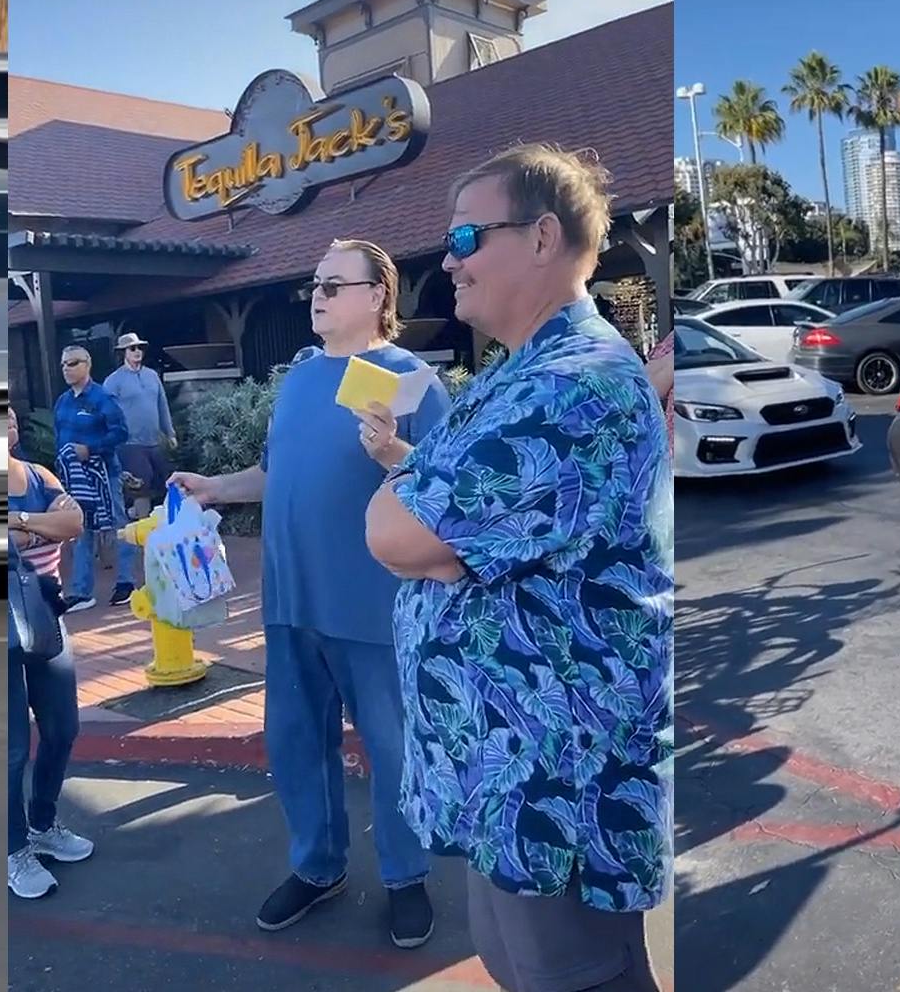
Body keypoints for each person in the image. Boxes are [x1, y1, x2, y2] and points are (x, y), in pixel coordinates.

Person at [364, 144, 673, 991]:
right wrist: (434, 520)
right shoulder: (521, 372)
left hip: (554, 775)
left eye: (468, 233)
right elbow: (431, 514)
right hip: (500, 759)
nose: (450, 258)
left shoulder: (571, 384)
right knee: (518, 966)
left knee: (572, 975)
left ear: (543, 238)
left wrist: (428, 528)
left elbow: (394, 533)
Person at [170, 239, 451, 950]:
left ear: (377, 295)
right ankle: (319, 867)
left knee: (392, 750)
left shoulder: (409, 381)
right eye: (314, 285)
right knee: (296, 746)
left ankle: (405, 877)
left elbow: (450, 493)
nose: (317, 296)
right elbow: (274, 472)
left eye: (332, 284)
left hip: (374, 607)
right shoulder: (298, 380)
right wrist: (216, 488)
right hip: (291, 602)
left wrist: (396, 454)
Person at [6, 403, 96, 899]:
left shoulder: (37, 474)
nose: (9, 418)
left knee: (62, 729)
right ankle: (12, 849)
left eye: (11, 412)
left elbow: (74, 522)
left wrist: (19, 520)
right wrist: (38, 523)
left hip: (45, 618)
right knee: (13, 747)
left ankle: (42, 825)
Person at [53, 346, 137, 612]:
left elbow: (121, 432)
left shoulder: (102, 398)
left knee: (116, 525)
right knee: (80, 528)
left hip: (104, 475)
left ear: (87, 365)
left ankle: (126, 582)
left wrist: (90, 449)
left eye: (73, 363)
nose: (67, 368)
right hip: (75, 479)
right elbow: (59, 436)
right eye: (64, 363)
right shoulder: (63, 402)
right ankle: (81, 591)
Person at [103, 333, 178, 522]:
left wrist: (170, 433)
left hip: (155, 440)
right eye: (132, 348)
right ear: (123, 353)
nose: (137, 352)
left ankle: (156, 521)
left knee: (168, 481)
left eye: (139, 348)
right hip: (130, 443)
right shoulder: (114, 380)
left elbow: (162, 405)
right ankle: (142, 529)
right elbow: (104, 411)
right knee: (141, 485)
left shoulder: (152, 376)